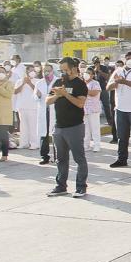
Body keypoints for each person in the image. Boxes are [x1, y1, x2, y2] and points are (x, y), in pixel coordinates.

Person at [45, 57, 89, 198]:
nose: (63, 72)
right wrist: (57, 96)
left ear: (74, 68)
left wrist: (65, 94)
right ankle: (61, 186)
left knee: (79, 158)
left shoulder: (80, 84)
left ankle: (81, 187)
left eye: (65, 70)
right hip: (59, 127)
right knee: (61, 159)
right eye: (61, 70)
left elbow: (80, 104)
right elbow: (47, 101)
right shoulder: (58, 82)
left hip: (74, 126)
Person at [34, 64, 58, 165]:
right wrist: (38, 95)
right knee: (44, 134)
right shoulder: (39, 83)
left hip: (54, 110)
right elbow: (35, 96)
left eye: (48, 70)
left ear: (52, 71)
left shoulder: (57, 81)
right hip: (43, 111)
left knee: (56, 134)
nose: (46, 73)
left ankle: (57, 156)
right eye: (45, 71)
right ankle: (44, 156)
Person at [92, 56, 117, 143]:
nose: (96, 64)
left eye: (97, 62)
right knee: (95, 106)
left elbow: (107, 77)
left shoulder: (104, 68)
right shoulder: (91, 69)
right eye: (95, 63)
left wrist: (99, 71)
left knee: (106, 105)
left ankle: (110, 121)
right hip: (94, 90)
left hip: (103, 89)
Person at [14, 66, 39, 150]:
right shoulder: (19, 81)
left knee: (33, 126)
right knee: (23, 126)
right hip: (22, 106)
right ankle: (24, 143)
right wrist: (24, 83)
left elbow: (37, 92)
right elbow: (15, 91)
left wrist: (29, 83)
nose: (32, 72)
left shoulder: (37, 81)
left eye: (34, 70)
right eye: (31, 70)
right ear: (26, 72)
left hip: (33, 107)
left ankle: (34, 143)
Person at [0, 67, 14, 161]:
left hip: (3, 112)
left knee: (3, 134)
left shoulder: (9, 83)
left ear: (6, 73)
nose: (1, 73)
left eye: (2, 72)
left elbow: (8, 94)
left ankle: (5, 154)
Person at [82, 68, 102, 153]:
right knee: (86, 129)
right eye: (86, 72)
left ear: (93, 75)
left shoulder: (95, 83)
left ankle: (96, 145)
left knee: (95, 128)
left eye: (89, 73)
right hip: (84, 109)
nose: (86, 74)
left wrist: (83, 90)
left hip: (93, 109)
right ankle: (86, 145)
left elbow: (94, 93)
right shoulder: (82, 83)